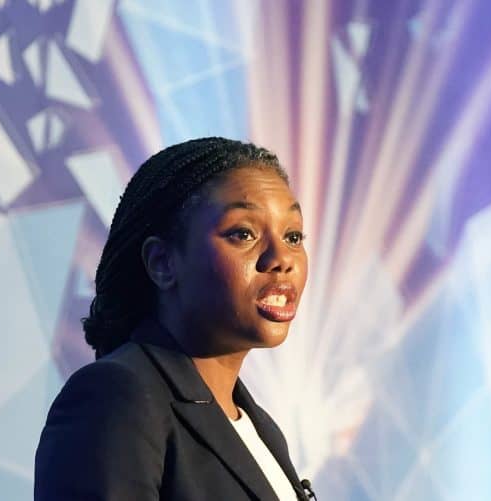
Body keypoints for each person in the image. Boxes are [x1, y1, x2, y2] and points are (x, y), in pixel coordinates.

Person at [34, 137, 313, 500]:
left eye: (293, 235)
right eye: (243, 233)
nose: (282, 258)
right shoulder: (117, 397)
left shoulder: (262, 430)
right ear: (163, 262)